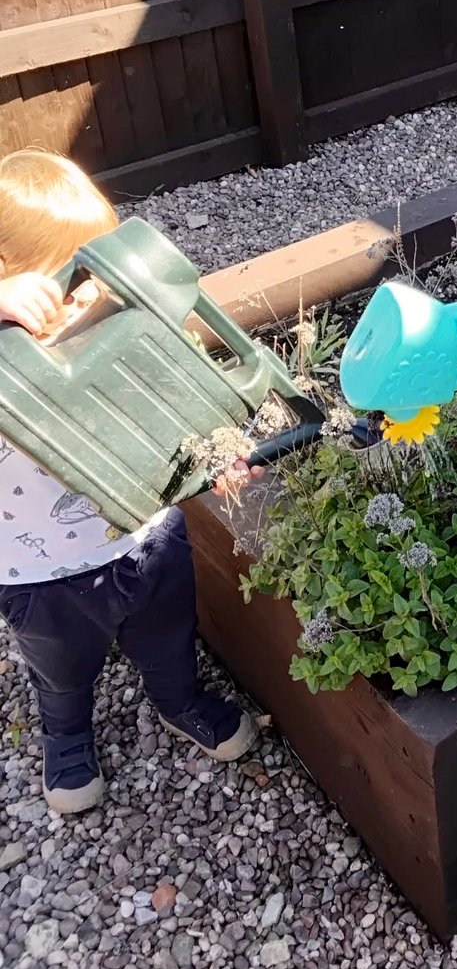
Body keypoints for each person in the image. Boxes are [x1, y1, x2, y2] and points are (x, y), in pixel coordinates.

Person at [0, 149, 261, 815]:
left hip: (147, 537)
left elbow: (176, 408)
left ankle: (178, 699)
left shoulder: (106, 334)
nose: (89, 292)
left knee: (167, 633)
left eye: (97, 269)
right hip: (37, 573)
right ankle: (64, 734)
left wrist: (217, 457)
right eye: (72, 273)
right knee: (61, 668)